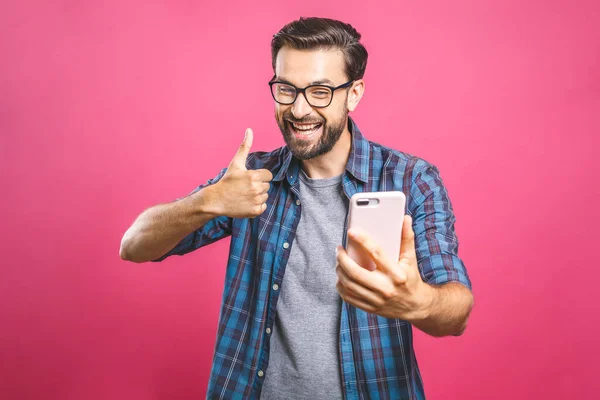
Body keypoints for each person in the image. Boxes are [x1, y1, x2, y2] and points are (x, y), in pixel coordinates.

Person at [120, 17, 474, 400]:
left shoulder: (410, 180)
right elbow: (134, 245)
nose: (299, 109)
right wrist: (206, 202)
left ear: (353, 94)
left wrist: (419, 301)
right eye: (286, 89)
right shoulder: (252, 177)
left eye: (320, 91)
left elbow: (456, 312)